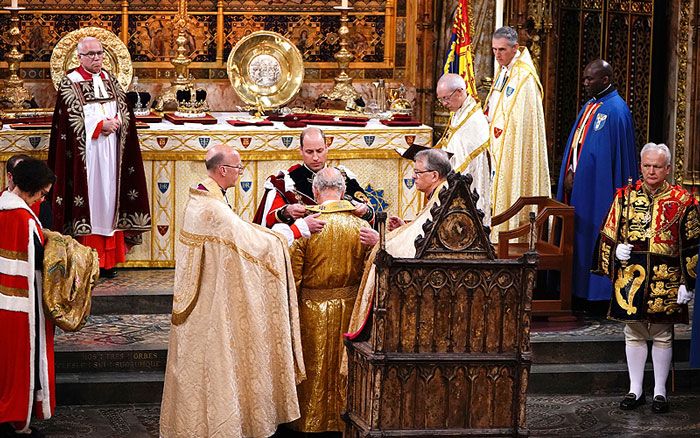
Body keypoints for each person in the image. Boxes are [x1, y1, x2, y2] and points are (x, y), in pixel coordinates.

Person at [160, 145, 305, 438]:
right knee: (215, 365)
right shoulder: (212, 209)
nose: (241, 173)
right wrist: (297, 230)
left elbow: (238, 235)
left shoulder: (205, 196)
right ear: (223, 170)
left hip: (204, 300)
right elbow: (251, 243)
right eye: (238, 168)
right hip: (209, 307)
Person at [592, 143, 699, 413]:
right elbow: (608, 231)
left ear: (668, 169)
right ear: (641, 166)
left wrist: (689, 282)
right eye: (647, 165)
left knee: (663, 334)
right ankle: (635, 388)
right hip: (631, 276)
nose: (651, 171)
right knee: (634, 332)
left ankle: (660, 392)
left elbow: (692, 243)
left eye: (657, 166)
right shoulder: (624, 197)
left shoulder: (683, 200)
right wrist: (615, 250)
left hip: (668, 275)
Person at [48, 36, 150, 279]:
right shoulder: (70, 83)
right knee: (92, 201)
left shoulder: (111, 80)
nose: (96, 58)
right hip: (86, 156)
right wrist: (98, 126)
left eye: (100, 53)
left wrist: (118, 122)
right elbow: (68, 122)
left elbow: (124, 110)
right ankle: (85, 260)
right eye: (91, 54)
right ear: (79, 57)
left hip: (113, 152)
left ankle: (108, 260)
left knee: (110, 200)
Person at [287, 167, 371, 434]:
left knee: (314, 367)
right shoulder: (361, 226)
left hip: (311, 308)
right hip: (351, 309)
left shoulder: (306, 228)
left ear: (314, 191)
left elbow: (293, 278)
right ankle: (343, 418)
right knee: (343, 367)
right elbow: (369, 270)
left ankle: (310, 422)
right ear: (344, 191)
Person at [556, 59, 638, 314]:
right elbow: (578, 147)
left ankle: (597, 296)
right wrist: (570, 171)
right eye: (584, 78)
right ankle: (575, 291)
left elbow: (617, 160)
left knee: (594, 239)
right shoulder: (590, 106)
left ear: (605, 79)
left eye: (590, 79)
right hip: (578, 191)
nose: (585, 83)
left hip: (599, 194)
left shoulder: (617, 111)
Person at [351, 149, 453, 343]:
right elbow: (424, 231)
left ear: (434, 175)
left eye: (418, 172)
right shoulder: (441, 192)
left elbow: (418, 245)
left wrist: (381, 242)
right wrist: (404, 228)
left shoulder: (442, 197)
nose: (413, 177)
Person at [0, 158, 57, 437]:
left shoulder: (3, 206)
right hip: (23, 306)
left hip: (4, 302)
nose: (43, 199)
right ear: (30, 189)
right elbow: (40, 263)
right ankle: (16, 422)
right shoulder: (23, 219)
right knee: (22, 367)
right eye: (43, 193)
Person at [253, 127, 374, 240]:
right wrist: (287, 211)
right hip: (304, 250)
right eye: (309, 152)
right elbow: (269, 222)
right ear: (301, 151)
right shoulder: (286, 182)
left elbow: (371, 214)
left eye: (320, 151)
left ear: (327, 147)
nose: (315, 157)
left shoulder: (344, 177)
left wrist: (365, 211)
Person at [485, 26, 550, 235]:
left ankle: (510, 235)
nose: (497, 55)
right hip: (497, 146)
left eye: (502, 50)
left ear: (515, 48)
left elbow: (522, 123)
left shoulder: (525, 78)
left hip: (512, 147)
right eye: (494, 50)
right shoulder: (504, 71)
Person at [435, 73, 491, 227]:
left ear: (459, 92)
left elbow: (464, 158)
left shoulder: (474, 120)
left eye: (446, 98)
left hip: (466, 182)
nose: (444, 104)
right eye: (440, 100)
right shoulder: (459, 112)